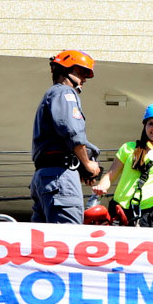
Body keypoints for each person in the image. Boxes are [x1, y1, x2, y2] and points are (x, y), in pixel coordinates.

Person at [30, 50, 101, 224]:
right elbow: (72, 132)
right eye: (81, 72)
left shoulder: (52, 95)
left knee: (43, 243)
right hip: (59, 178)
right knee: (66, 240)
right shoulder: (65, 93)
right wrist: (87, 164)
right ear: (64, 70)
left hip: (45, 177)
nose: (84, 78)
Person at [92, 103, 153, 227]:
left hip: (147, 214)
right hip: (119, 211)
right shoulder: (128, 148)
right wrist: (101, 187)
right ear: (145, 126)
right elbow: (111, 175)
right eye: (151, 123)